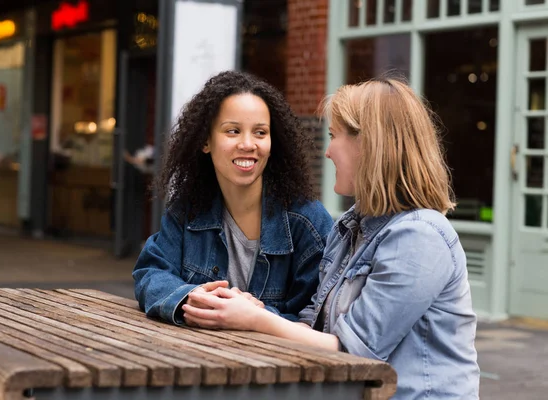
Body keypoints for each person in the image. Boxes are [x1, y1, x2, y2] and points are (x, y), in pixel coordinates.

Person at [182, 78, 480, 399]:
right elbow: (313, 327)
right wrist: (251, 309)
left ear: (368, 144)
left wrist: (254, 319)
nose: (326, 152)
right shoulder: (350, 227)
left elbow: (355, 353)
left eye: (333, 136)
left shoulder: (419, 237)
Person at [133, 71, 333, 325]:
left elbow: (318, 316)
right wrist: (190, 296)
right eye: (233, 131)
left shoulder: (308, 222)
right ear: (206, 141)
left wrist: (253, 316)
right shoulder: (188, 211)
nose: (248, 144)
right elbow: (150, 271)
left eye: (260, 133)